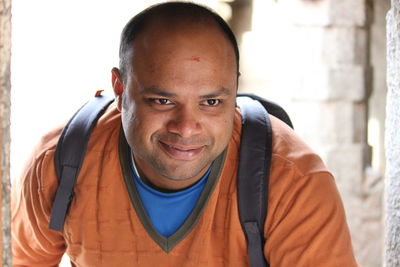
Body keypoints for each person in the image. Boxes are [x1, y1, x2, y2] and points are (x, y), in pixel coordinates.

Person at [12, 2, 358, 266]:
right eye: (162, 100)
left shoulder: (292, 180)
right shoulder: (61, 164)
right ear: (120, 88)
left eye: (211, 102)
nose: (186, 127)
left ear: (235, 88)